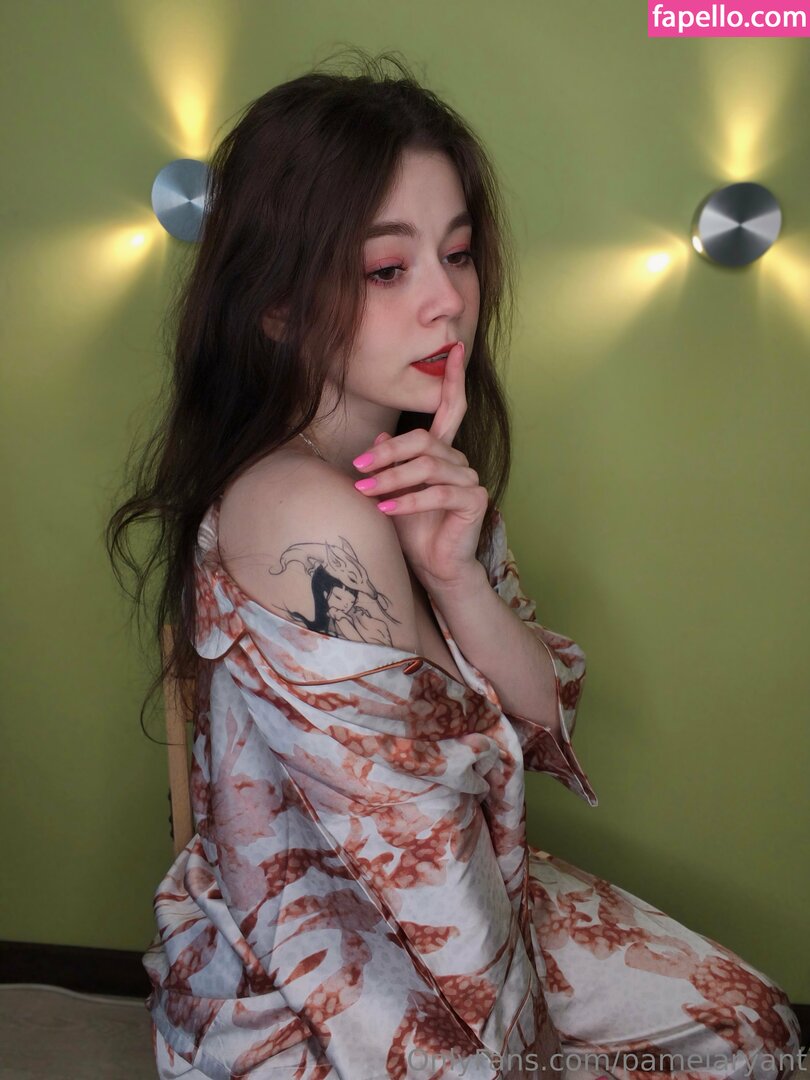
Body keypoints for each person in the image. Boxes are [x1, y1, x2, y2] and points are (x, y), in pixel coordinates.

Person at [106, 49, 803, 1080]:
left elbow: (544, 714)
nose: (448, 302)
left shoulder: (419, 470)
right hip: (341, 963)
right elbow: (417, 879)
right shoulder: (302, 512)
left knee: (752, 1024)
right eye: (387, 270)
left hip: (471, 885)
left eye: (459, 254)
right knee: (741, 1047)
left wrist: (456, 577)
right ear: (277, 306)